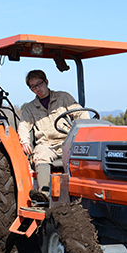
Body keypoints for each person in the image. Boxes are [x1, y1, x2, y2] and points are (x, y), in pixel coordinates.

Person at [18, 69, 89, 201]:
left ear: (46, 82)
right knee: (41, 155)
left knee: (82, 155)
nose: (37, 89)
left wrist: (85, 131)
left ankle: (81, 193)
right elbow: (23, 125)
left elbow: (81, 113)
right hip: (46, 144)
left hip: (66, 141)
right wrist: (25, 141)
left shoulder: (63, 98)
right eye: (33, 87)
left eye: (39, 84)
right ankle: (44, 194)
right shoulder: (30, 108)